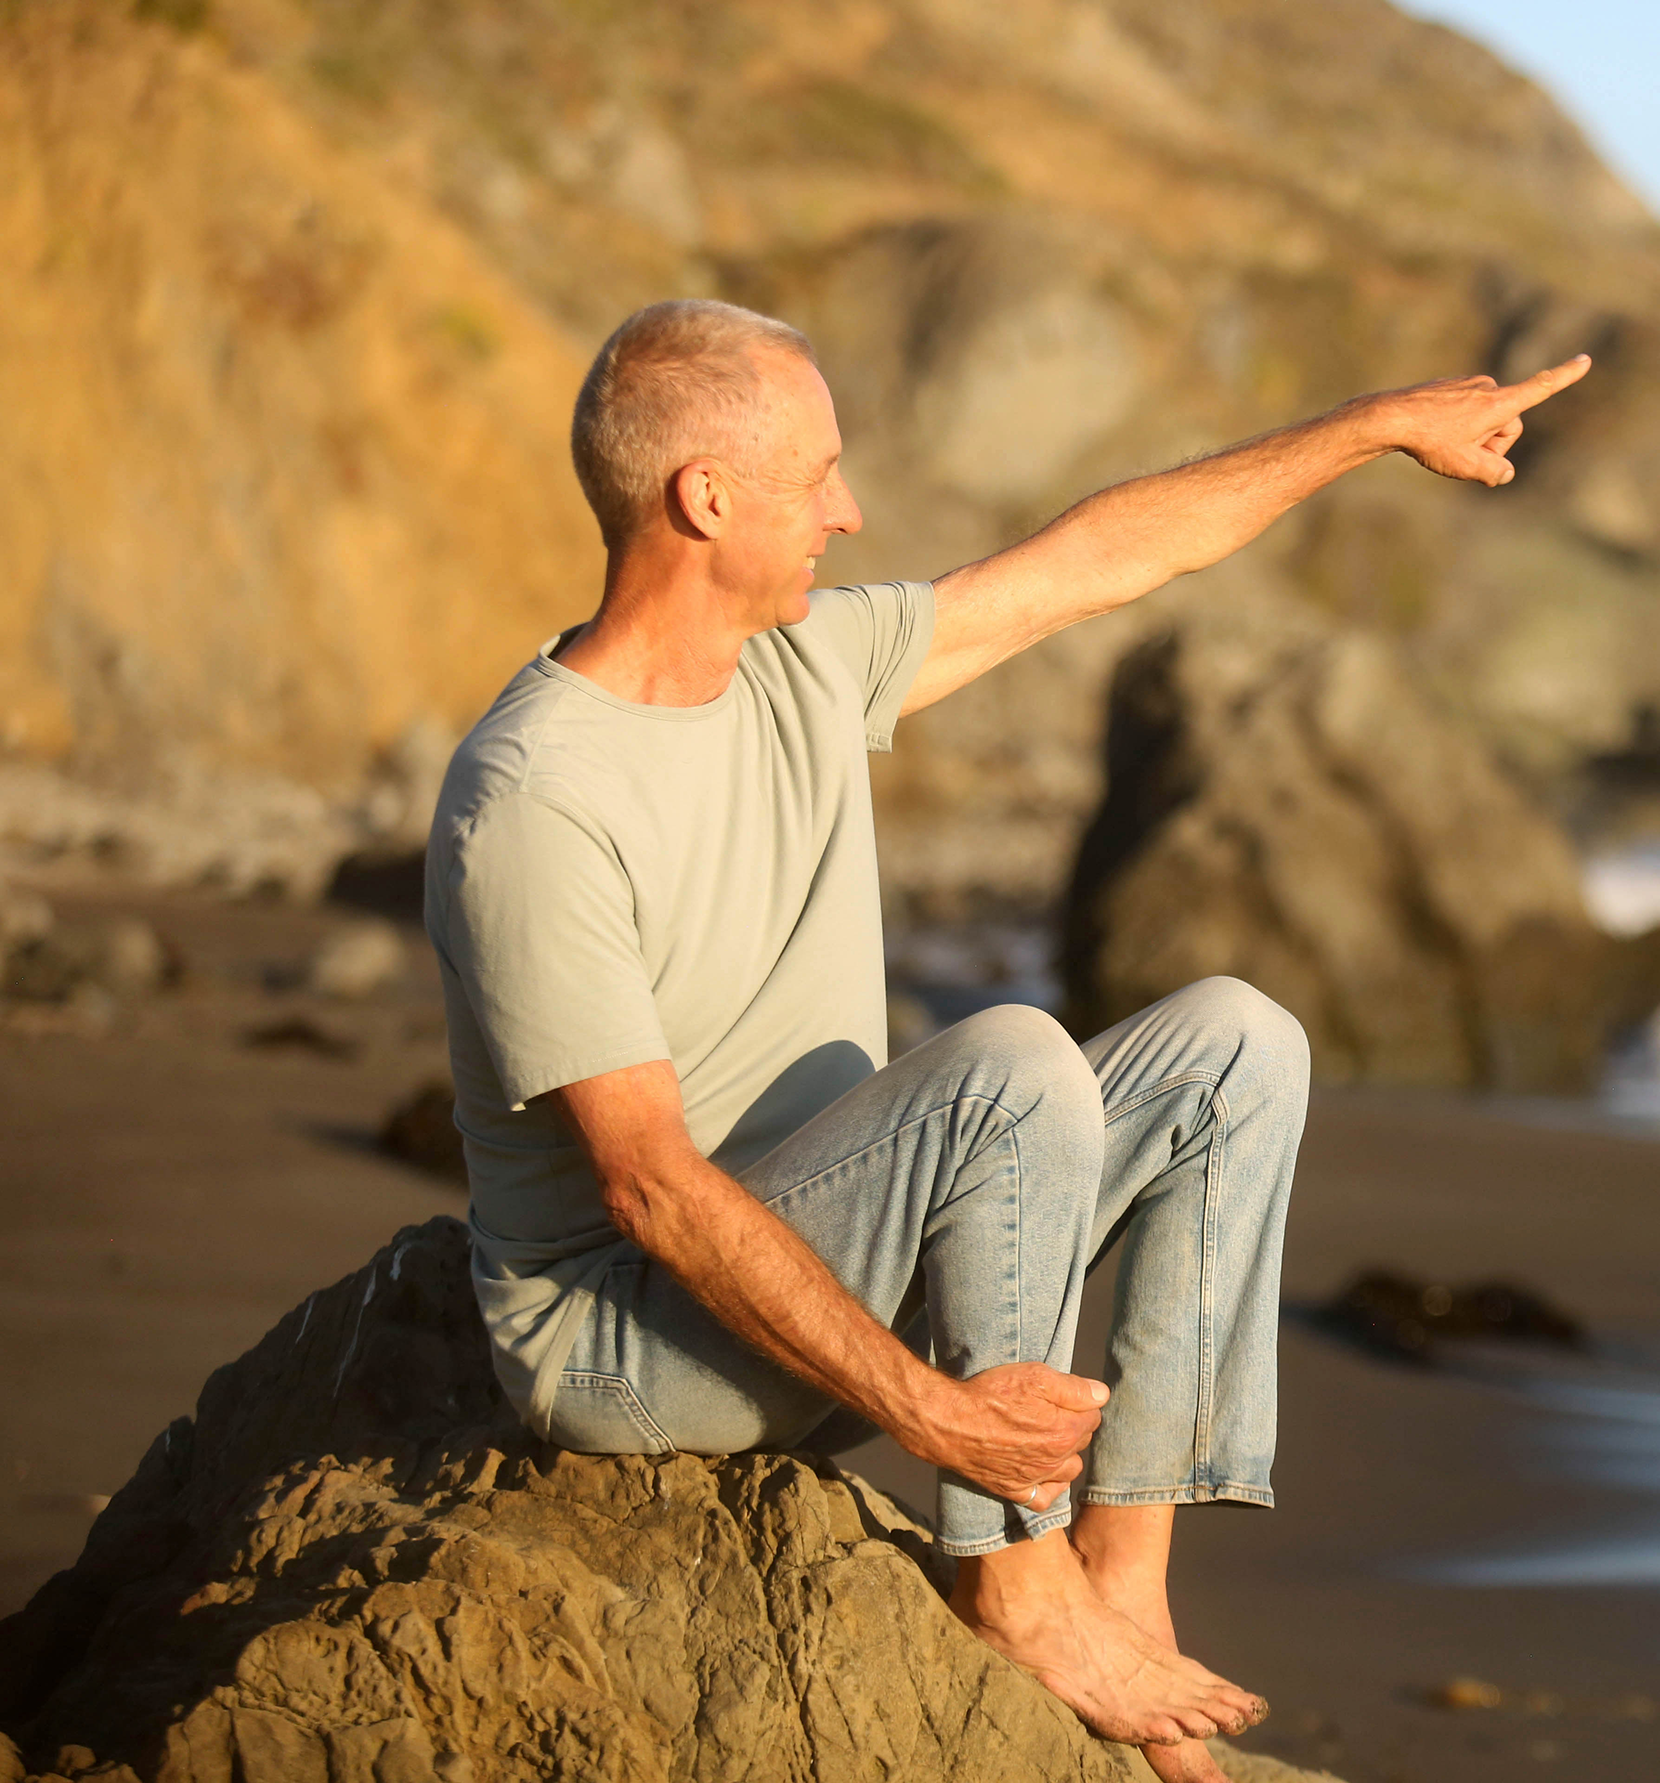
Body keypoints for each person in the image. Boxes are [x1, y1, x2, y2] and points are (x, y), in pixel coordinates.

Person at [425, 298, 1589, 1782]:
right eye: (817, 475)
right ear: (705, 499)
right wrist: (943, 1422)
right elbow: (647, 1188)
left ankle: (1122, 1571)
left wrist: (1371, 429)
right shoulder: (533, 793)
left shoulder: (804, 666)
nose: (848, 512)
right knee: (1008, 1060)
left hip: (849, 1257)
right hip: (631, 1350)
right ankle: (1017, 1582)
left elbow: (1098, 559)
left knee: (1240, 1041)